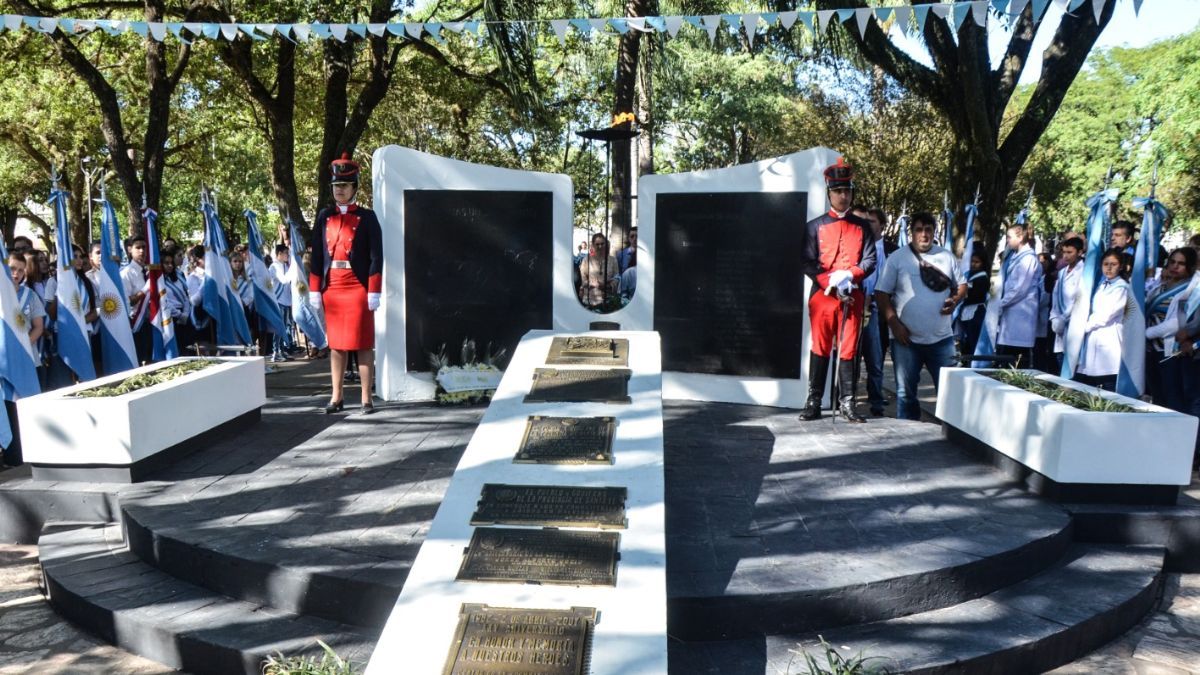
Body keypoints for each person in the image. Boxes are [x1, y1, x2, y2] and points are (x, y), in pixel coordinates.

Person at [798, 158, 876, 422]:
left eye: (847, 191)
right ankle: (814, 400)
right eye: (838, 191)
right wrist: (828, 280)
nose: (843, 196)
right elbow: (807, 261)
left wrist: (850, 274)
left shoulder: (862, 226)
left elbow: (869, 260)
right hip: (823, 296)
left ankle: (847, 402)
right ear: (829, 193)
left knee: (849, 348)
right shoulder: (814, 226)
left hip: (851, 296)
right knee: (820, 346)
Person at [309, 153, 383, 415]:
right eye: (335, 186)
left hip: (357, 287)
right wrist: (314, 287)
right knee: (337, 345)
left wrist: (374, 290)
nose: (338, 190)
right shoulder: (324, 216)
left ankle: (366, 398)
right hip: (334, 288)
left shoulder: (368, 217)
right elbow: (317, 254)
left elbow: (376, 257)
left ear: (354, 187)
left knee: (363, 344)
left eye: (343, 186)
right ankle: (336, 397)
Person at [875, 213, 967, 421]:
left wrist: (955, 299)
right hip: (906, 341)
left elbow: (962, 285)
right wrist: (893, 323)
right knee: (905, 395)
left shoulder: (946, 256)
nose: (924, 234)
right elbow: (881, 294)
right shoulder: (897, 258)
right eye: (918, 229)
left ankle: (950, 439)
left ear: (934, 232)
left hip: (942, 339)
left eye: (928, 229)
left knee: (950, 393)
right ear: (911, 233)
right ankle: (908, 442)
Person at [1144, 248, 1198, 410]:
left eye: (1181, 263)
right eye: (1172, 262)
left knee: (1172, 397)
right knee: (1157, 395)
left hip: (1170, 351)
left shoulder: (1192, 290)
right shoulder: (1160, 287)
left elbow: (1177, 322)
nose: (1175, 266)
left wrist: (1148, 333)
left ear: (1189, 266)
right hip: (1150, 349)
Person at [855, 206, 895, 416]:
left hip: (881, 309)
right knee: (853, 356)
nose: (866, 225)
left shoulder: (891, 249)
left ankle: (876, 399)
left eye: (871, 221)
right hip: (859, 305)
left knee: (876, 357)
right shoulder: (857, 245)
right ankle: (849, 397)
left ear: (881, 224)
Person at [1074, 248, 1129, 391]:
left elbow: (1106, 315)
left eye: (1114, 264)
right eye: (1106, 264)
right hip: (1093, 338)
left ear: (1121, 266)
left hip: (1109, 338)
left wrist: (1083, 327)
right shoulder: (1101, 285)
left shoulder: (1121, 288)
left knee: (1106, 384)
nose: (1109, 268)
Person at [995, 224, 1041, 367]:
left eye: (1009, 237)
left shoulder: (1027, 259)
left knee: (1017, 359)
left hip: (1021, 315)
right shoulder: (1016, 257)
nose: (1007, 240)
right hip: (1011, 315)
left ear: (1020, 237)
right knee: (1006, 356)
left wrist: (1001, 303)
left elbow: (1020, 288)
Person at [1049, 237, 1085, 370]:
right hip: (1059, 324)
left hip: (1073, 322)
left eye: (1070, 252)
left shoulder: (1084, 272)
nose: (1066, 256)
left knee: (1072, 365)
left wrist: (1063, 318)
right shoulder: (1062, 272)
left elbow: (1079, 298)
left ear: (1080, 252)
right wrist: (1054, 317)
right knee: (1060, 360)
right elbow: (1055, 295)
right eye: (1064, 252)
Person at [120, 234, 151, 364]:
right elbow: (128, 301)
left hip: (152, 320)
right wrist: (146, 289)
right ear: (129, 249)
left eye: (144, 247)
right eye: (138, 248)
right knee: (142, 359)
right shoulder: (126, 273)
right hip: (137, 323)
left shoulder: (148, 270)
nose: (142, 251)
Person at [957, 249, 990, 358]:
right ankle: (966, 358)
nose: (973, 264)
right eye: (972, 261)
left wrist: (963, 295)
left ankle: (973, 361)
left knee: (973, 339)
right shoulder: (968, 275)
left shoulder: (982, 278)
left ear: (982, 263)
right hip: (966, 312)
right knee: (965, 339)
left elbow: (977, 296)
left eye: (977, 262)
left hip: (976, 312)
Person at [577, 233, 619, 310]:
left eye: (602, 244)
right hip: (590, 301)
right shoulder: (586, 260)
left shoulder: (613, 260)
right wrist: (593, 284)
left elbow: (617, 278)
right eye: (597, 244)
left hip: (609, 301)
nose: (600, 246)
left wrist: (606, 286)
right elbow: (583, 280)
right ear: (593, 245)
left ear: (606, 244)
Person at [269, 243, 294, 362]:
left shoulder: (285, 266)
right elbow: (284, 280)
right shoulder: (274, 266)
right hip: (278, 300)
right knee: (278, 327)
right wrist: (293, 267)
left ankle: (282, 350)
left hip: (286, 300)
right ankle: (276, 351)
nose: (287, 256)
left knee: (285, 327)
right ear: (279, 254)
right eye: (286, 253)